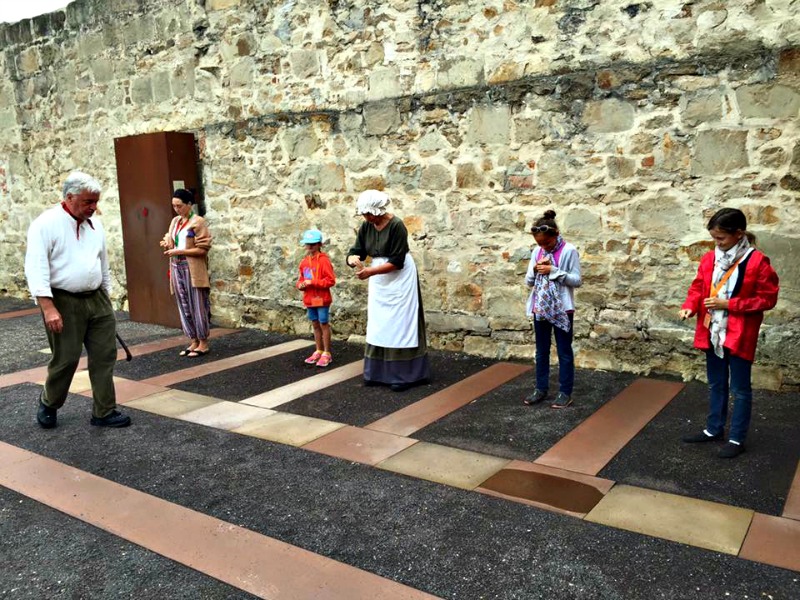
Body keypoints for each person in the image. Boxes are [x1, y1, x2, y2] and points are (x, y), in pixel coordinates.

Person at [24, 171, 131, 428]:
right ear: (69, 197)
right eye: (88, 202)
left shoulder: (96, 225)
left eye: (96, 201)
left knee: (105, 355)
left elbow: (102, 263)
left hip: (97, 298)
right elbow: (36, 267)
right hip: (63, 300)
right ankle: (49, 402)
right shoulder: (45, 224)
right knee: (67, 358)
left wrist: (107, 298)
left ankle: (104, 411)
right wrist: (48, 308)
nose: (94, 207)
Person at [679, 208, 779, 458]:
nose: (717, 242)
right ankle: (714, 429)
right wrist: (690, 306)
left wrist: (729, 304)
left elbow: (767, 299)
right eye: (714, 238)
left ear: (739, 234)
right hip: (712, 330)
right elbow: (698, 287)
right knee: (716, 383)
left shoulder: (758, 262)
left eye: (721, 238)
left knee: (740, 388)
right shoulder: (709, 259)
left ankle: (736, 439)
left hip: (739, 334)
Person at [346, 190, 430, 391]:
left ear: (378, 210)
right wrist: (351, 259)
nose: (367, 218)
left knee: (400, 324)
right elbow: (357, 250)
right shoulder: (367, 226)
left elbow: (397, 261)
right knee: (380, 323)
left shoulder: (396, 225)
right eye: (364, 214)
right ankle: (376, 373)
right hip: (379, 279)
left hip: (399, 278)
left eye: (369, 214)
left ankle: (403, 375)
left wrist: (370, 272)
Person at [522, 210, 582, 409]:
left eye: (547, 243)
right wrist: (535, 269)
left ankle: (565, 392)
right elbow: (528, 281)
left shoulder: (569, 251)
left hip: (562, 309)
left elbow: (577, 280)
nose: (544, 247)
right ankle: (540, 388)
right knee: (541, 351)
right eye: (540, 244)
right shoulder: (537, 252)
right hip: (541, 308)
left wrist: (553, 271)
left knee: (564, 351)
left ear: (556, 234)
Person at [160, 189, 212, 358]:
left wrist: (180, 251)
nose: (177, 209)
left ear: (189, 204)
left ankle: (203, 342)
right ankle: (193, 340)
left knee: (197, 303)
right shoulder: (175, 221)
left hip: (191, 267)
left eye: (180, 206)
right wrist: (167, 242)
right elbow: (172, 238)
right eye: (174, 206)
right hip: (176, 266)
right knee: (183, 304)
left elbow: (203, 249)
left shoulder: (198, 222)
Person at [296, 229, 336, 367]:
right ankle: (318, 350)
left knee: (323, 324)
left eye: (313, 244)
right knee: (315, 324)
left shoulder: (324, 261)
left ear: (319, 244)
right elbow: (301, 279)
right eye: (308, 244)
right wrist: (300, 285)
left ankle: (327, 353)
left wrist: (312, 282)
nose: (310, 246)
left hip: (322, 299)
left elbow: (330, 281)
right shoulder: (304, 262)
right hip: (310, 299)